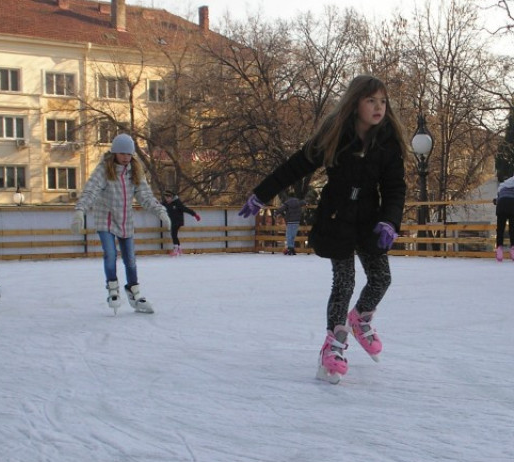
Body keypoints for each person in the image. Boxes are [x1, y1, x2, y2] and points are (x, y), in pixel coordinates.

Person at [237, 74, 407, 384]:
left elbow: (395, 187)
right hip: (337, 218)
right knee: (344, 281)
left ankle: (360, 318)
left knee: (382, 278)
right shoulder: (334, 135)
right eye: (371, 100)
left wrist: (390, 221)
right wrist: (261, 194)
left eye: (382, 101)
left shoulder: (388, 141)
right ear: (356, 104)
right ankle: (334, 344)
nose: (378, 107)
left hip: (370, 218)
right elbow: (295, 165)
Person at [71, 134, 170, 314]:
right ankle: (113, 289)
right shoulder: (103, 170)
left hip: (125, 220)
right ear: (115, 152)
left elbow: (145, 195)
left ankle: (133, 291)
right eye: (122, 153)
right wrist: (80, 211)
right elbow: (91, 190)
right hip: (106, 218)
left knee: (130, 259)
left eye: (129, 154)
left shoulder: (134, 172)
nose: (126, 157)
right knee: (110, 254)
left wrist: (160, 211)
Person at [161, 190, 200, 256]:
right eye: (166, 198)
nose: (167, 200)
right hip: (172, 221)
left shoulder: (177, 203)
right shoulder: (165, 203)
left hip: (178, 221)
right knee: (174, 234)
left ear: (172, 197)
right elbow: (159, 205)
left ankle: (176, 250)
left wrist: (195, 215)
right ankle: (179, 249)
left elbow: (185, 209)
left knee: (173, 234)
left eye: (168, 198)